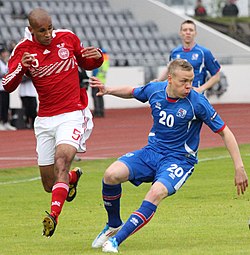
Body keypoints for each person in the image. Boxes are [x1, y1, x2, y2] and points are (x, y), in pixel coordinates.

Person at [89, 59, 248, 253]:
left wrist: (239, 167)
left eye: (190, 80)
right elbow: (133, 91)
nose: (189, 86)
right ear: (170, 79)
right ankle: (113, 224)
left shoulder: (197, 102)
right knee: (111, 174)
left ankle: (115, 241)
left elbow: (225, 132)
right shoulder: (156, 90)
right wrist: (108, 90)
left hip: (179, 160)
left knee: (156, 193)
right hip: (151, 152)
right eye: (184, 81)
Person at [2, 8, 103, 237]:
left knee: (61, 161)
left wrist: (96, 56)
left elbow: (85, 61)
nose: (48, 34)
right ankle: (72, 178)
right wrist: (21, 67)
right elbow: (8, 85)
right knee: (50, 184)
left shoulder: (67, 37)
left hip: (72, 113)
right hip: (45, 119)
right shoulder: (23, 50)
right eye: (42, 31)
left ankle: (53, 216)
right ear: (31, 31)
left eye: (50, 28)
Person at [158, 20, 221, 94]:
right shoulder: (174, 52)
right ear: (180, 33)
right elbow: (169, 70)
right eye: (185, 30)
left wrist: (201, 89)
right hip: (177, 96)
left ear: (195, 33)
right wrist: (158, 80)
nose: (188, 32)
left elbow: (216, 76)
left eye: (191, 30)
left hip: (195, 96)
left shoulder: (204, 52)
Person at [0, 47, 17, 131]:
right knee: (1, 106)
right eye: (4, 53)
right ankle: (1, 122)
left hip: (5, 88)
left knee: (6, 105)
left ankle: (6, 122)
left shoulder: (6, 62)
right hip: (0, 87)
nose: (6, 54)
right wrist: (6, 74)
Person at [92, 48, 109, 117]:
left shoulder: (99, 59)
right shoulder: (106, 60)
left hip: (96, 80)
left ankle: (97, 111)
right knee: (101, 96)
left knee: (95, 95)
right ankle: (101, 111)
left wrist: (93, 77)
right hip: (102, 80)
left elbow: (95, 70)